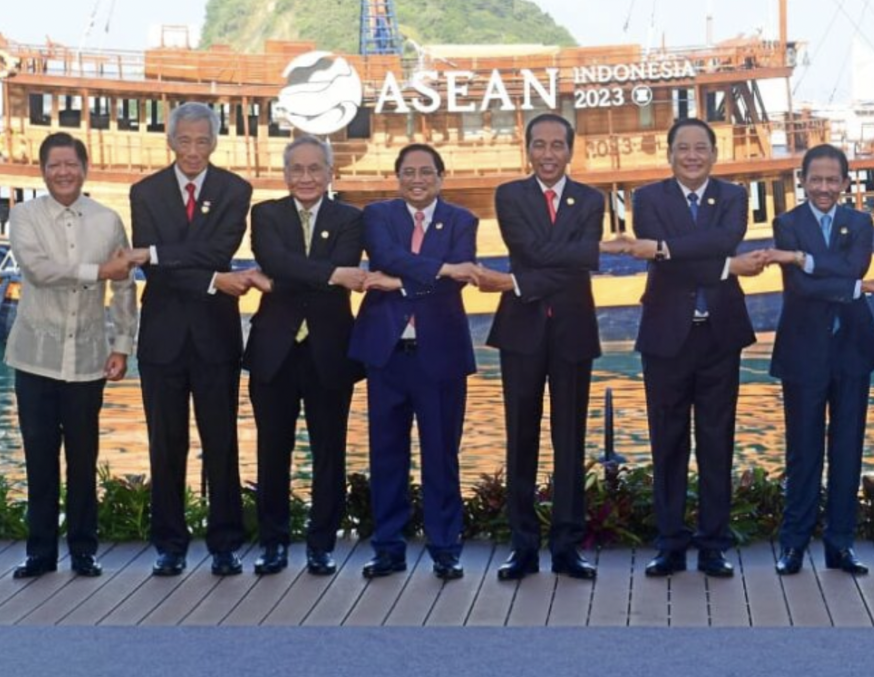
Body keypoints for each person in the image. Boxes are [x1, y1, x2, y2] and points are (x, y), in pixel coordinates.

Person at [477, 114, 623, 582]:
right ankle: (522, 548)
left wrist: (518, 280)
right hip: (520, 333)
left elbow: (580, 256)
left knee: (570, 440)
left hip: (573, 333)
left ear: (570, 150)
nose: (547, 153)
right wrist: (571, 257)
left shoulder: (591, 198)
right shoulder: (509, 195)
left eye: (556, 145)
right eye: (538, 145)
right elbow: (544, 251)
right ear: (527, 149)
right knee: (521, 439)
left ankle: (566, 547)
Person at [622, 117, 769, 579]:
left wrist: (664, 249)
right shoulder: (647, 199)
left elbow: (722, 240)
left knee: (716, 441)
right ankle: (669, 544)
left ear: (713, 153)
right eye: (682, 147)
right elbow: (700, 262)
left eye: (700, 147)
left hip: (719, 336)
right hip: (666, 338)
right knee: (667, 443)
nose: (691, 155)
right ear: (669, 154)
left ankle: (713, 545)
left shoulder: (733, 196)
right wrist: (727, 267)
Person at [129, 102, 262, 577]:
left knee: (221, 441)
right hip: (162, 339)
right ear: (170, 140)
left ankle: (225, 543)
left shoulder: (235, 189)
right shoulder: (144, 191)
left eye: (201, 141)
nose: (192, 150)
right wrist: (208, 278)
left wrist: (161, 253)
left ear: (214, 141)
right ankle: (169, 544)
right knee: (166, 445)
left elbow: (219, 249)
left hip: (215, 338)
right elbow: (150, 270)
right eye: (183, 140)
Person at [6, 132, 136, 580]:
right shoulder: (24, 216)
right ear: (42, 171)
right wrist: (99, 271)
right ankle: (40, 553)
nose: (63, 172)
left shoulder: (107, 220)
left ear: (85, 167)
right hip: (35, 358)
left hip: (87, 359)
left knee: (83, 460)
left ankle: (84, 551)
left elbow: (123, 287)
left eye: (71, 164)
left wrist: (122, 346)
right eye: (54, 165)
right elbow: (40, 271)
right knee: (39, 459)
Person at [348, 143, 478, 581]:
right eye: (409, 172)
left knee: (441, 454)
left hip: (439, 355)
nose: (417, 179)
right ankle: (388, 547)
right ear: (397, 177)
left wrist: (400, 285)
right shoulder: (378, 216)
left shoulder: (463, 220)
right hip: (386, 355)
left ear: (441, 177)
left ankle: (445, 548)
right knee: (387, 454)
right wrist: (440, 270)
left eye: (426, 172)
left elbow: (459, 281)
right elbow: (386, 257)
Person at [762, 144, 874, 576]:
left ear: (846, 183)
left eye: (832, 180)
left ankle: (840, 544)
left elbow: (855, 267)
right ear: (803, 180)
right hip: (803, 352)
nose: (824, 188)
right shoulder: (787, 223)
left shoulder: (861, 221)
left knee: (848, 449)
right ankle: (794, 544)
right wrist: (848, 287)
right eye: (816, 179)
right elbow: (801, 289)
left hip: (853, 349)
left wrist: (804, 258)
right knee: (803, 450)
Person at [244, 136, 366, 576]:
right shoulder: (266, 214)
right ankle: (273, 543)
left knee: (328, 451)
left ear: (331, 172)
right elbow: (273, 258)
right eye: (297, 168)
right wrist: (332, 275)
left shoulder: (352, 218)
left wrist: (277, 283)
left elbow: (285, 270)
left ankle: (321, 544)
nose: (307, 177)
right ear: (285, 173)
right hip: (273, 350)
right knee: (271, 450)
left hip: (329, 351)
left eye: (316, 168)